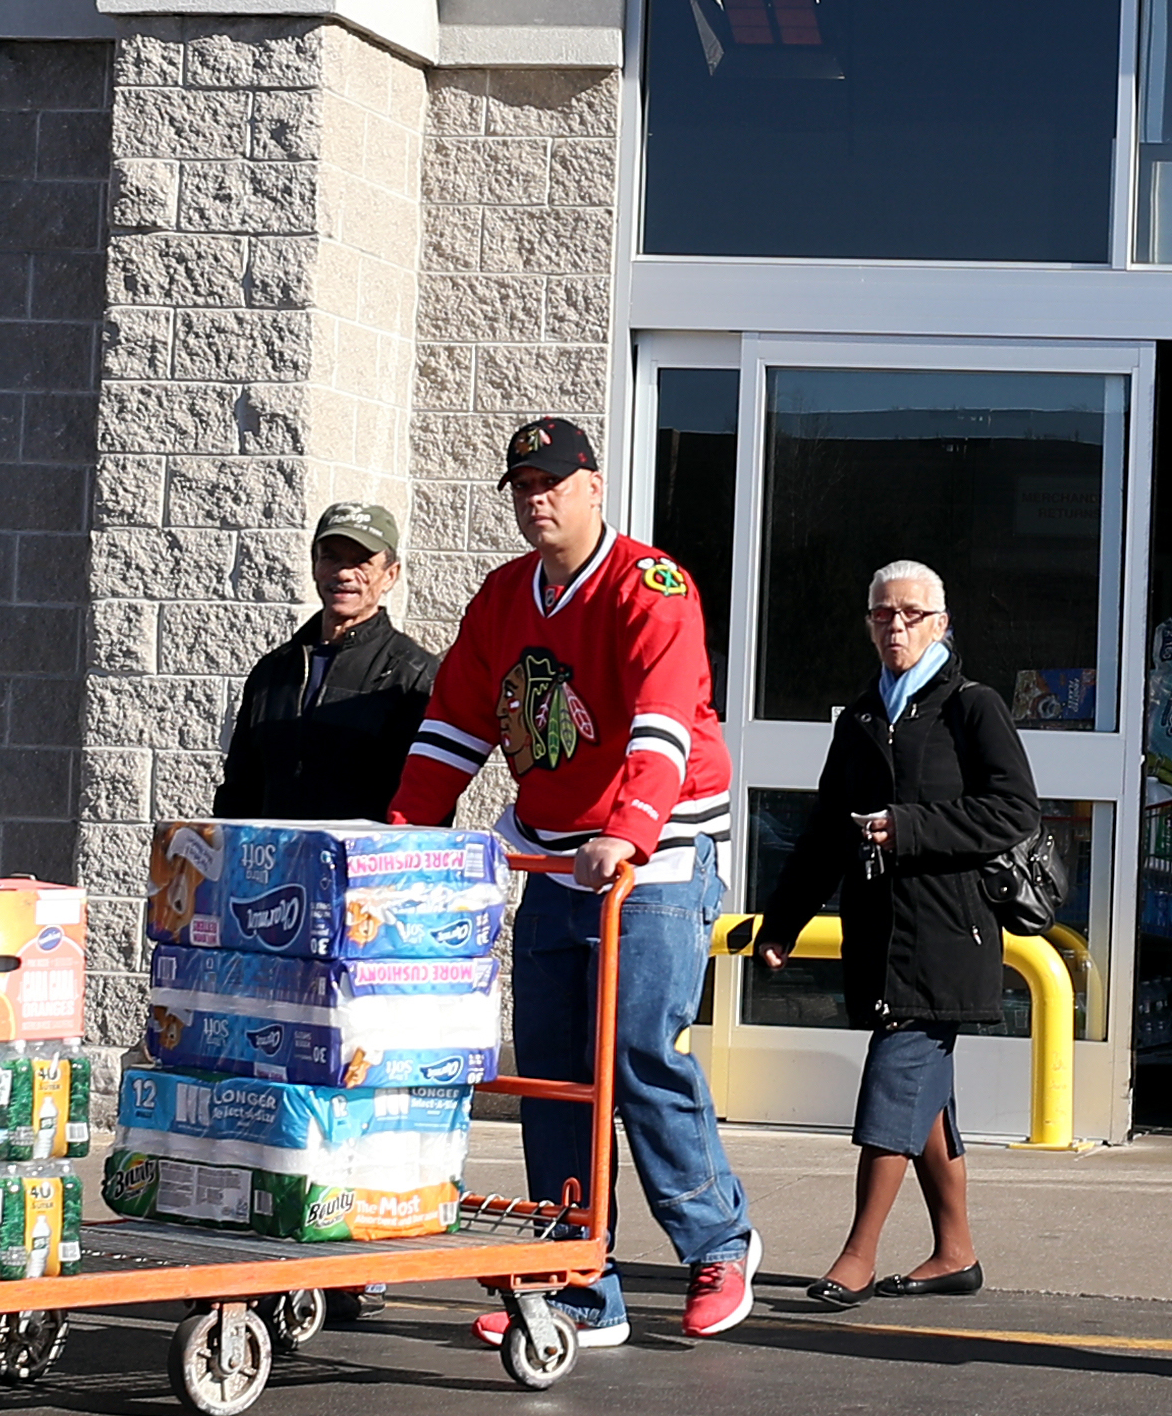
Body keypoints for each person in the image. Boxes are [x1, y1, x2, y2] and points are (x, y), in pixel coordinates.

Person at [389, 417, 763, 1348]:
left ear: (595, 486)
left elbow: (663, 729)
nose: (536, 498)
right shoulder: (503, 596)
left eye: (553, 481)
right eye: (521, 485)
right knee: (552, 1074)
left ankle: (719, 1239)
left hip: (659, 849)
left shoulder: (651, 586)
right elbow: (455, 728)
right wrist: (403, 840)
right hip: (553, 851)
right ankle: (574, 1278)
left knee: (637, 1049)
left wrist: (628, 835)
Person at [754, 560, 1037, 1309]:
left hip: (949, 936)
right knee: (924, 1095)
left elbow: (1014, 811)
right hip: (879, 936)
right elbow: (820, 836)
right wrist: (780, 922)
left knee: (895, 1077)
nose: (896, 626)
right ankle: (955, 1251)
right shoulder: (859, 718)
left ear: (941, 624)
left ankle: (857, 1252)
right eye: (883, 614)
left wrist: (906, 826)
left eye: (911, 614)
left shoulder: (971, 708)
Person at [218, 501, 439, 820]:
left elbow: (424, 804)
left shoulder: (413, 675)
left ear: (390, 575)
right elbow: (240, 788)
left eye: (361, 561)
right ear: (314, 564)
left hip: (364, 866)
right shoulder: (274, 671)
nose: (343, 573)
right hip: (273, 864)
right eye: (331, 557)